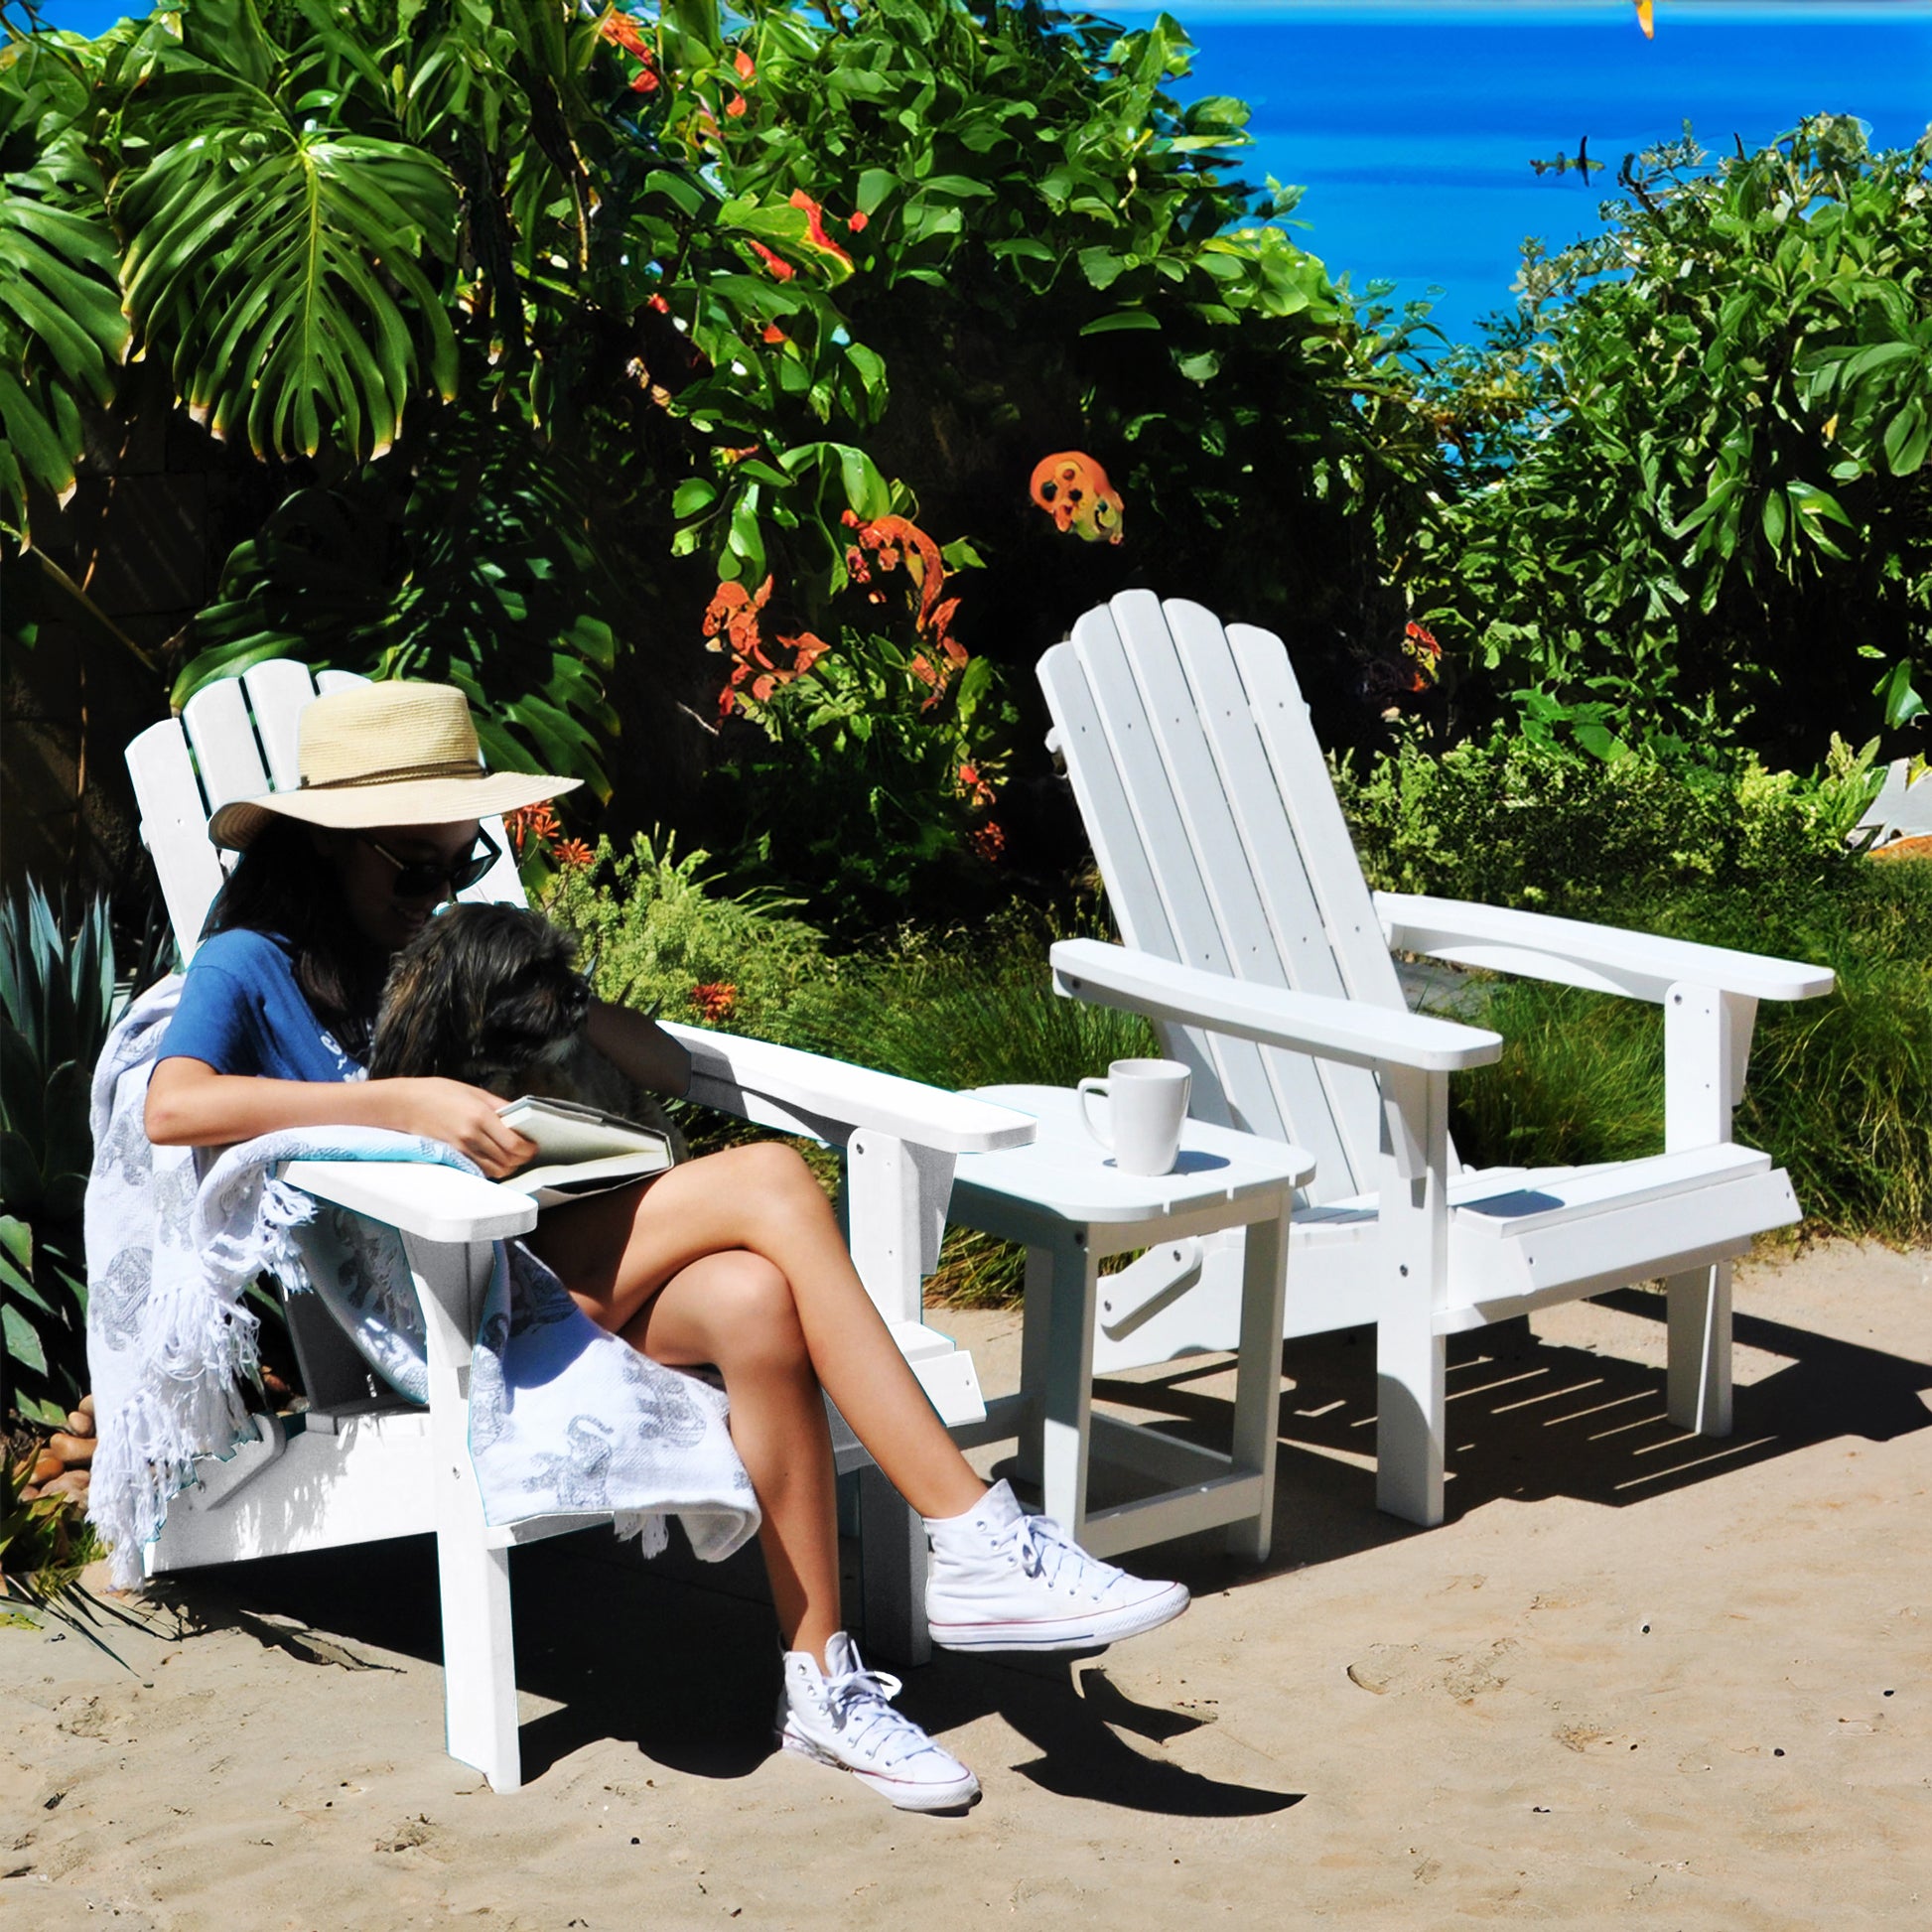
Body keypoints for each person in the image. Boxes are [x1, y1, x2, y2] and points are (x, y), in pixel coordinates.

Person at [144, 679, 1187, 1813]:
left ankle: (820, 1682)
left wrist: (548, 995)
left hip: (542, 1250)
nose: (436, 892)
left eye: (461, 866)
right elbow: (173, 1106)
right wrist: (404, 1104)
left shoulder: (440, 945)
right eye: (413, 867)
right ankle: (976, 1535)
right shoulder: (250, 959)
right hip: (446, 1292)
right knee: (775, 1177)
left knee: (752, 1298)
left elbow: (664, 1064)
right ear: (322, 844)